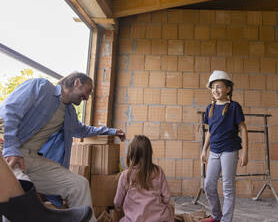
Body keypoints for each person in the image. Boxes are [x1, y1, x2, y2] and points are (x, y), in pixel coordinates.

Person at [0, 72, 126, 222]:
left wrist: (112, 131)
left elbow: (83, 130)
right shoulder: (41, 86)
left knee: (79, 185)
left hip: (31, 157)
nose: (87, 97)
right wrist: (11, 147)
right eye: (88, 90)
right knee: (22, 197)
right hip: (7, 152)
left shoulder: (69, 113)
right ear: (77, 82)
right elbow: (8, 111)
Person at [200, 70, 248, 222]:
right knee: (208, 185)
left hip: (229, 151)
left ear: (228, 89)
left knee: (228, 188)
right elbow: (210, 131)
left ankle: (226, 220)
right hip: (214, 151)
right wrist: (204, 149)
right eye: (213, 87)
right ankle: (216, 215)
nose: (215, 90)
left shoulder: (234, 107)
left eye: (219, 87)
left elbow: (243, 128)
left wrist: (245, 152)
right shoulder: (210, 108)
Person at [0, 156, 92, 221]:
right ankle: (37, 217)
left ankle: (37, 216)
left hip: (29, 155)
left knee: (80, 183)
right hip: (14, 155)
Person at [114, 135, 173, 222]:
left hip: (133, 219)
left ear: (131, 153)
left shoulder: (125, 175)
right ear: (150, 153)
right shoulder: (158, 171)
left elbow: (117, 203)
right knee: (169, 210)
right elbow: (167, 198)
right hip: (159, 218)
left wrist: (121, 208)